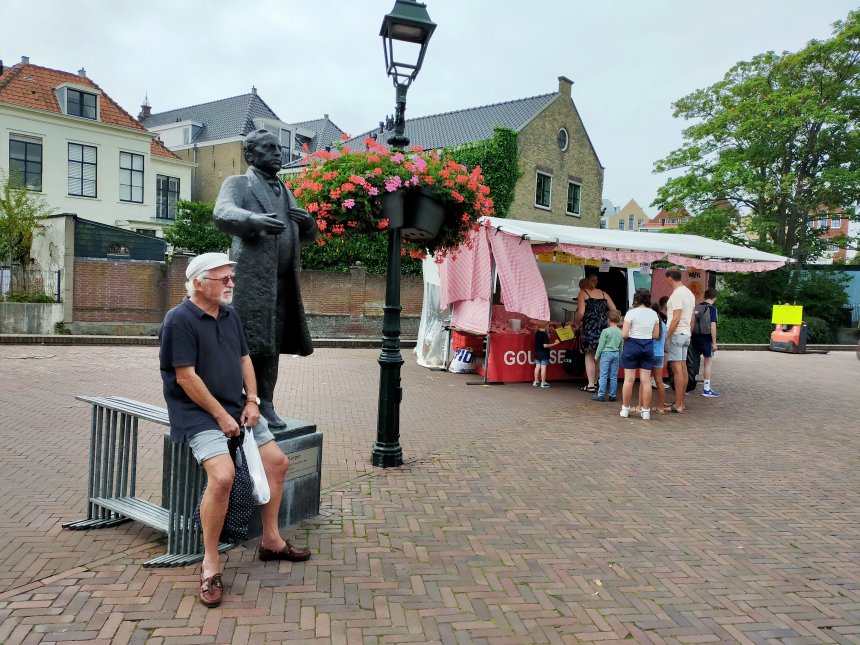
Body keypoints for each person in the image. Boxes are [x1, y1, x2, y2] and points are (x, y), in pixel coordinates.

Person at [159, 253, 312, 609]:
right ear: (198, 282)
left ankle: (271, 541)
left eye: (231, 277)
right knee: (224, 476)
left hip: (235, 406)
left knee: (278, 463)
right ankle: (210, 561)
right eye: (223, 278)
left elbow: (245, 359)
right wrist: (220, 416)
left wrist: (253, 401)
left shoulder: (229, 315)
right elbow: (185, 377)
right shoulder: (178, 321)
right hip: (196, 413)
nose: (231, 283)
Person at [214, 129, 318, 429]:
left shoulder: (286, 190)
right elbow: (222, 212)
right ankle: (235, 401)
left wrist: (309, 224)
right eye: (269, 148)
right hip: (250, 281)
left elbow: (305, 235)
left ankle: (266, 403)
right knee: (243, 344)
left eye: (279, 148)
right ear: (251, 155)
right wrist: (252, 220)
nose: (278, 152)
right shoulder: (238, 184)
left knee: (271, 348)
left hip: (282, 284)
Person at [619, 288, 660, 419]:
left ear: (636, 298)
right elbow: (656, 335)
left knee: (629, 379)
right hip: (647, 346)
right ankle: (646, 411)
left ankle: (625, 409)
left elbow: (624, 334)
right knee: (646, 381)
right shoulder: (654, 314)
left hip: (632, 345)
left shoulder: (631, 313)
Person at [574, 275, 616, 393]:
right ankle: (596, 382)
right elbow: (614, 309)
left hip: (590, 326)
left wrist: (575, 322)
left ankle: (591, 384)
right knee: (599, 355)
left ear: (583, 287)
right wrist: (607, 320)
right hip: (603, 327)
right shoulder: (604, 293)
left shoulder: (583, 294)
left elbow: (581, 312)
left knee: (589, 354)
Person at [664, 268, 696, 413]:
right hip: (686, 333)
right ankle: (681, 401)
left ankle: (678, 405)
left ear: (670, 278)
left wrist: (667, 337)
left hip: (677, 333)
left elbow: (676, 318)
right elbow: (692, 318)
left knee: (677, 370)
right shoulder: (689, 293)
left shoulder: (677, 294)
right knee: (683, 368)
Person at [692, 288, 720, 397]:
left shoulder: (697, 307)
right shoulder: (712, 309)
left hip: (695, 337)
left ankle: (689, 386)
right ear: (714, 298)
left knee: (693, 362)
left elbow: (692, 322)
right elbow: (713, 326)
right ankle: (707, 389)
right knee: (707, 363)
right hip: (706, 338)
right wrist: (714, 343)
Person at [591, 309, 623, 402]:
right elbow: (621, 346)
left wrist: (596, 356)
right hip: (616, 354)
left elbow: (601, 345)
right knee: (613, 376)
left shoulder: (605, 331)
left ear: (608, 319)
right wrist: (620, 356)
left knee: (603, 375)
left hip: (606, 354)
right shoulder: (620, 332)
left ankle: (601, 395)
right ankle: (612, 395)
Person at [646, 297, 669, 414]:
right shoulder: (663, 324)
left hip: (649, 353)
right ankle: (660, 407)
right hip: (659, 355)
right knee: (659, 381)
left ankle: (644, 406)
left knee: (645, 380)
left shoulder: (651, 323)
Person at [533, 321, 560, 388]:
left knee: (537, 367)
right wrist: (554, 344)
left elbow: (541, 339)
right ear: (546, 327)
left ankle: (536, 381)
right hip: (544, 353)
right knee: (543, 367)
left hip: (537, 352)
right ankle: (543, 383)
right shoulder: (544, 335)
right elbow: (545, 345)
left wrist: (547, 336)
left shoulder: (537, 333)